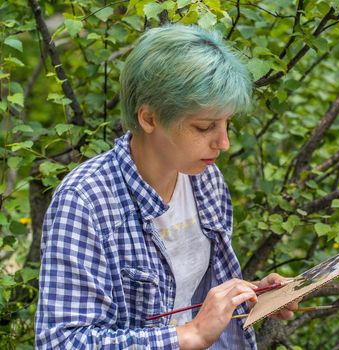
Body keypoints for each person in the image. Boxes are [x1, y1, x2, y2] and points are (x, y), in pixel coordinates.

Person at [35, 24, 297, 349]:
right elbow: (61, 343)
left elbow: (188, 296)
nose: (224, 142)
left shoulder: (206, 179)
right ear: (149, 118)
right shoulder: (85, 201)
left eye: (227, 123)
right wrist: (191, 335)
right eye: (204, 126)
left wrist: (249, 295)